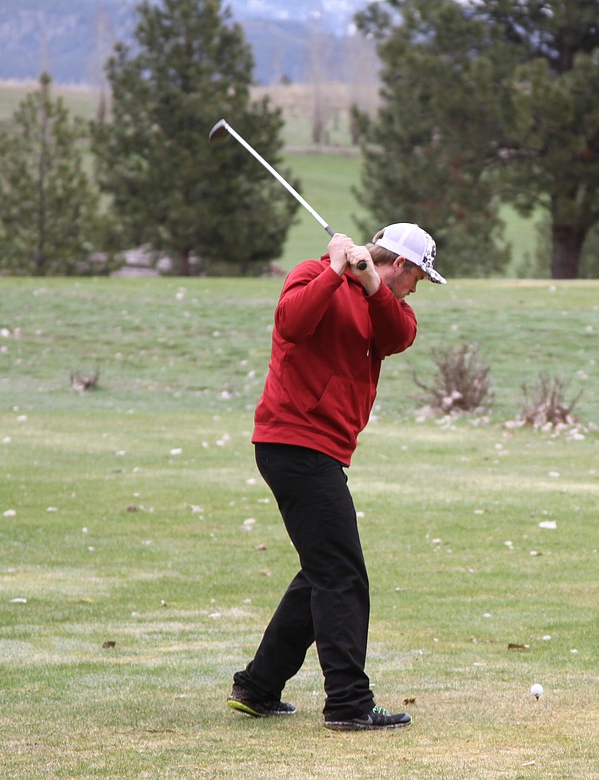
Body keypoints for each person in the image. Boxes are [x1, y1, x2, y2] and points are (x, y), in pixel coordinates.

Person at [227, 223, 446, 731]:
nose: (416, 289)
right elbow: (292, 324)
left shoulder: (384, 305)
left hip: (318, 449)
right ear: (404, 266)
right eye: (417, 278)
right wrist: (333, 269)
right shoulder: (310, 275)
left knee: (322, 571)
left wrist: (371, 283)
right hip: (295, 442)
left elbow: (399, 336)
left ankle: (258, 687)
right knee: (342, 576)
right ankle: (348, 702)